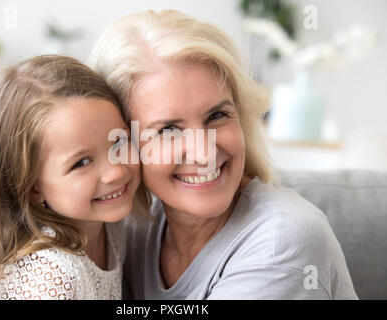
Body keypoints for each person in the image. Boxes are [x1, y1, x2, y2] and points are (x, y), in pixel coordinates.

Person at [89, 9, 358, 299]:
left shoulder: (282, 240)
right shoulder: (133, 230)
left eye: (217, 115)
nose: (204, 154)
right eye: (168, 130)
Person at [0, 55, 141, 299]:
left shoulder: (111, 225)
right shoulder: (51, 279)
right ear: (32, 188)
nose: (116, 171)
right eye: (81, 162)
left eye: (119, 141)